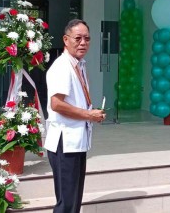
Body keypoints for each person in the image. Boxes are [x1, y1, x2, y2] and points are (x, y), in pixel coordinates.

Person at [44, 19, 106, 213]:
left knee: (74, 200)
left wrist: (91, 114)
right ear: (65, 39)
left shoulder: (79, 64)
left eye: (87, 39)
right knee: (67, 202)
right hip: (65, 142)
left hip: (77, 140)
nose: (83, 43)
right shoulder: (62, 66)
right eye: (78, 38)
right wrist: (88, 114)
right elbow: (57, 104)